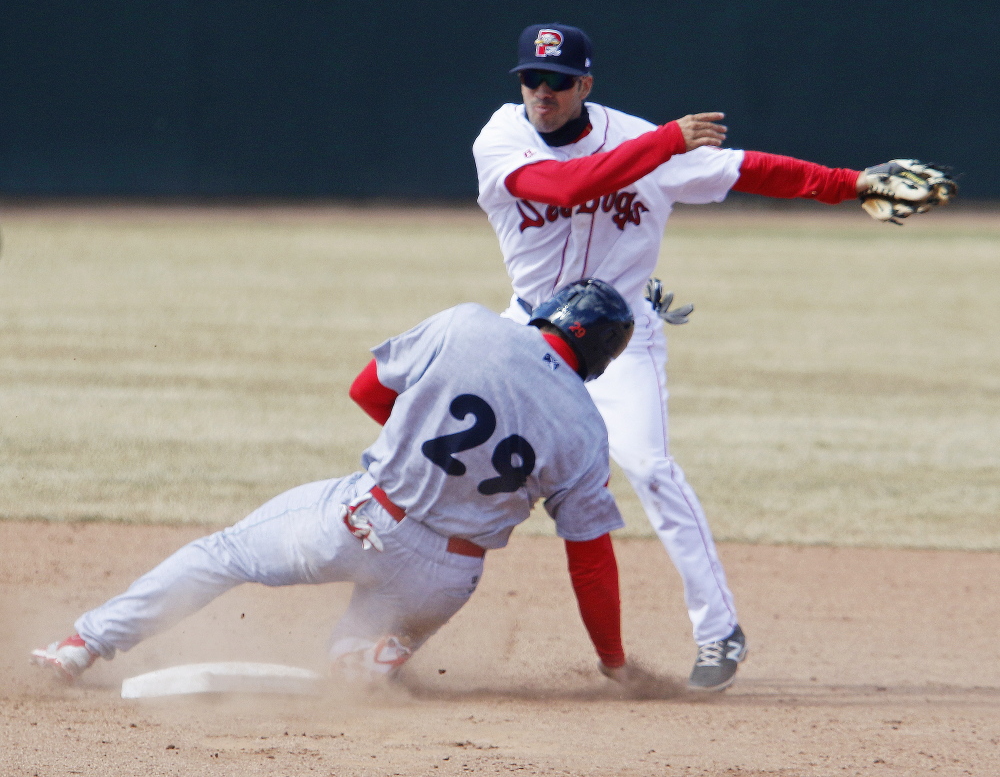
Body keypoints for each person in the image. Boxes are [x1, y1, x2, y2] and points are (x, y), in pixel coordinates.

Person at [473, 23, 908, 691]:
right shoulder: (502, 137)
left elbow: (750, 170)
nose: (543, 93)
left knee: (649, 466)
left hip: (621, 341)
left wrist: (852, 185)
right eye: (533, 78)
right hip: (527, 335)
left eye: (559, 82)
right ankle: (397, 616)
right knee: (464, 462)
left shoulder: (642, 138)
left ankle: (718, 630)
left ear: (584, 85)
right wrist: (664, 143)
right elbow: (568, 190)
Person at [32, 279, 640, 687]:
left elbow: (366, 390)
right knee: (342, 677)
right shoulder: (587, 430)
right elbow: (590, 559)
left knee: (221, 555)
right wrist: (612, 661)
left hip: (364, 522)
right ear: (602, 356)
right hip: (447, 576)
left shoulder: (468, 326)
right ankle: (369, 657)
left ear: (552, 313)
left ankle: (82, 645)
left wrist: (415, 440)